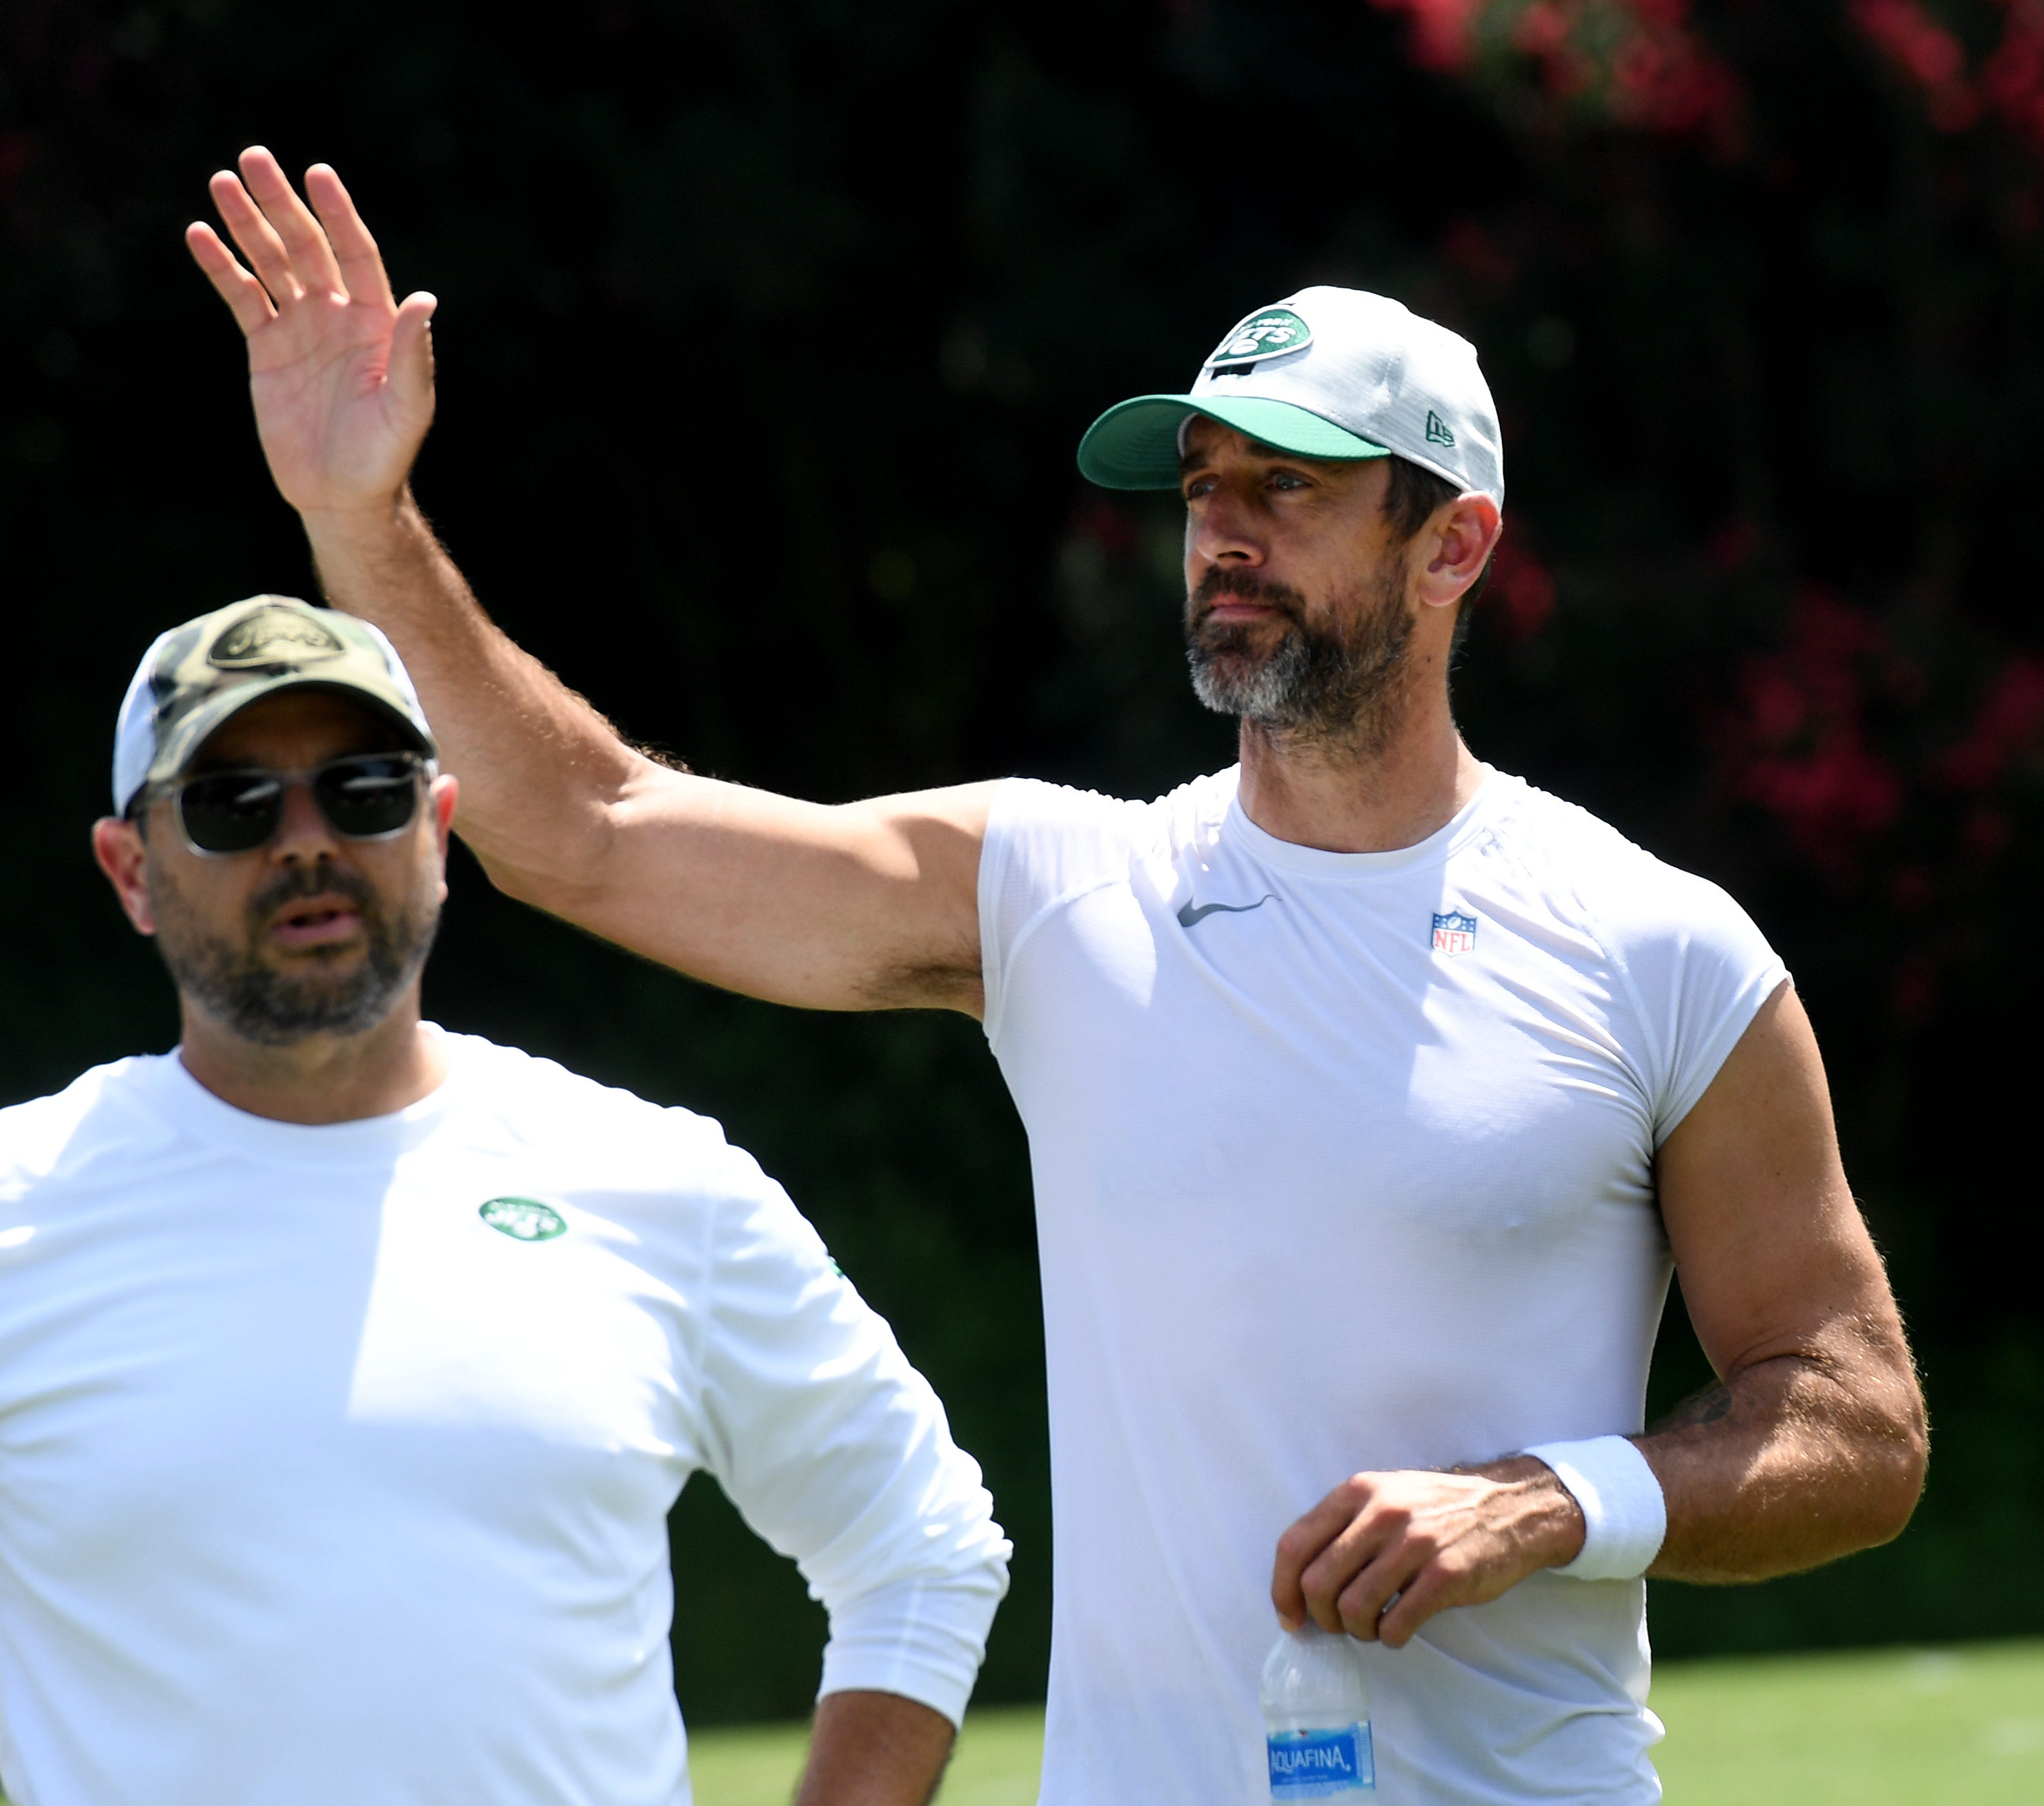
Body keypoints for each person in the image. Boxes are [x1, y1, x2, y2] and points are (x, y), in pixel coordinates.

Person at [185, 149, 1929, 1805]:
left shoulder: (1658, 947)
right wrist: (365, 514)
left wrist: (1558, 1501)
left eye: (1291, 490)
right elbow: (591, 825)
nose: (1225, 535)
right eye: (1204, 491)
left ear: (1453, 546)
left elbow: (1856, 1420)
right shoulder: (1056, 887)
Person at [0, 594, 1010, 1806]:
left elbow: (923, 1548)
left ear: (437, 825)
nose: (308, 843)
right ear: (132, 871)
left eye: (364, 790)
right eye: (233, 806)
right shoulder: (23, 1206)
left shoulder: (653, 1183)